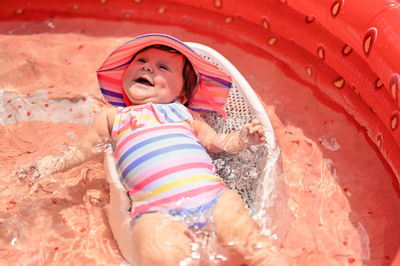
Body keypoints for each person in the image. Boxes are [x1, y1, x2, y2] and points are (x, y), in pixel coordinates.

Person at [19, 34, 286, 265]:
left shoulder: (183, 112)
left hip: (213, 198)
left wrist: (243, 138)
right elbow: (82, 151)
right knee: (161, 255)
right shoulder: (113, 118)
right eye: (141, 61)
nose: (148, 67)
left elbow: (217, 144)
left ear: (181, 94)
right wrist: (47, 165)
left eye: (162, 67)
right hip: (155, 211)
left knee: (251, 242)